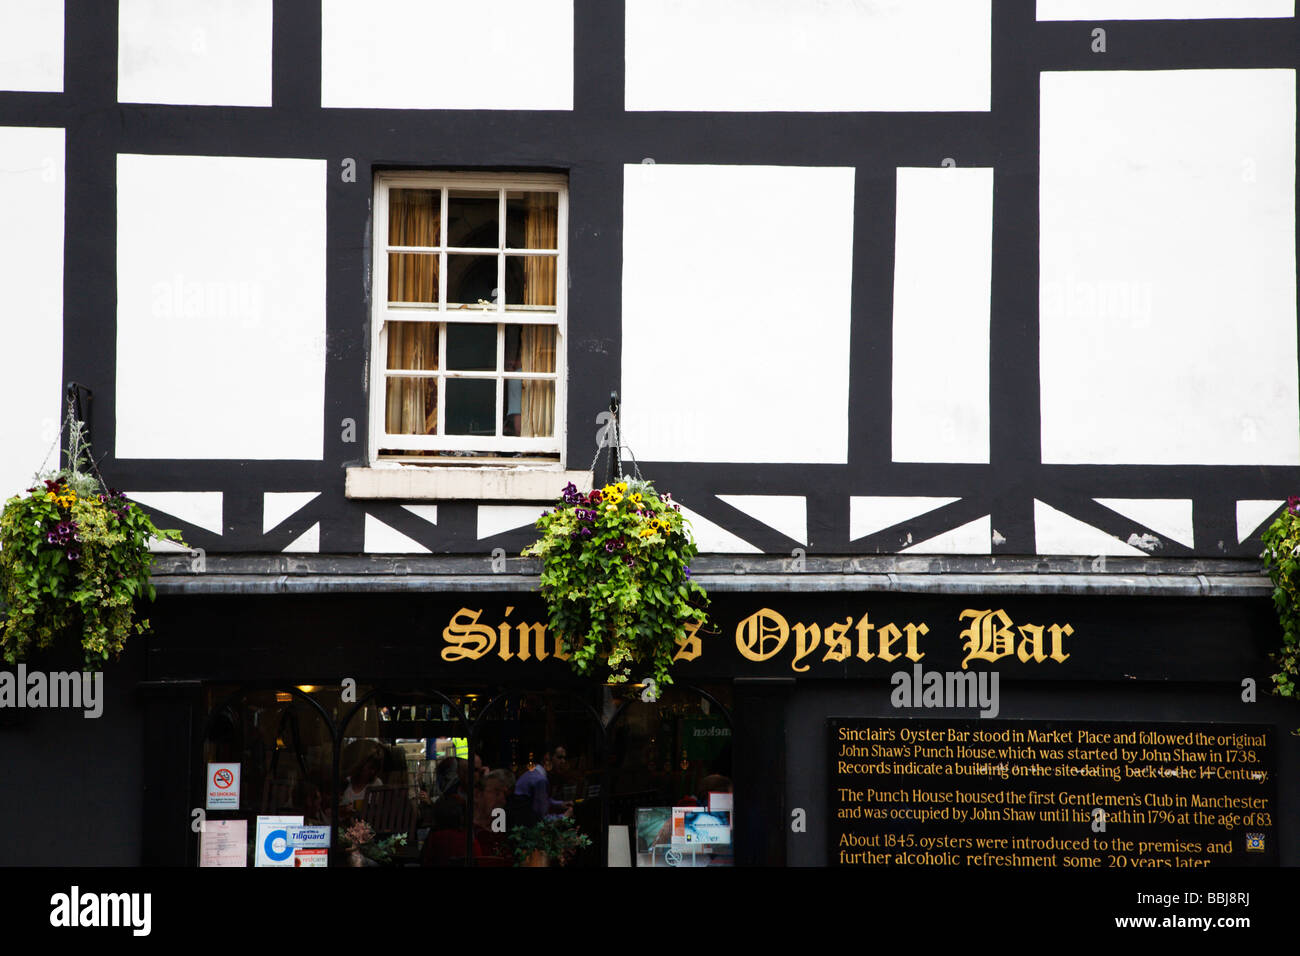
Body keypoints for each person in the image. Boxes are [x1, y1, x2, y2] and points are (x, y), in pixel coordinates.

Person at [513, 745, 572, 823]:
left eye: (564, 758)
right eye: (559, 757)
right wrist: (564, 816)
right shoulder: (540, 780)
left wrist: (560, 804)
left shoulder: (534, 773)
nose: (563, 761)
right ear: (547, 758)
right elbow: (542, 819)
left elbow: (540, 800)